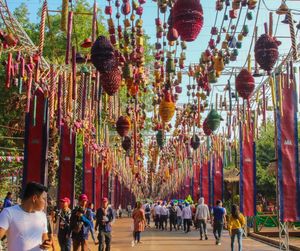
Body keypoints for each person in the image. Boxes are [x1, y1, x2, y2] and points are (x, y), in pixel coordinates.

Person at [0, 181, 52, 251]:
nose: (46, 203)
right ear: (34, 198)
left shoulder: (42, 215)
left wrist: (47, 243)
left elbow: (44, 237)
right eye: (44, 199)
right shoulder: (8, 213)